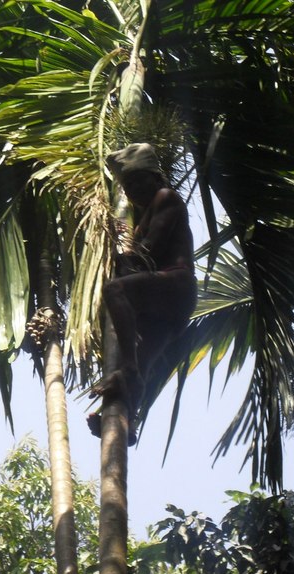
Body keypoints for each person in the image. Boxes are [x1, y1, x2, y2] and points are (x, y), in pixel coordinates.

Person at [88, 143, 197, 444]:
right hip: (165, 308)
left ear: (156, 178)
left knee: (116, 290)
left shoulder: (167, 197)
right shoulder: (143, 217)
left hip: (175, 285)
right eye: (128, 185)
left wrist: (117, 257)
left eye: (139, 181)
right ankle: (126, 421)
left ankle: (128, 368)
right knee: (140, 366)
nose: (134, 189)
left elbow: (150, 251)